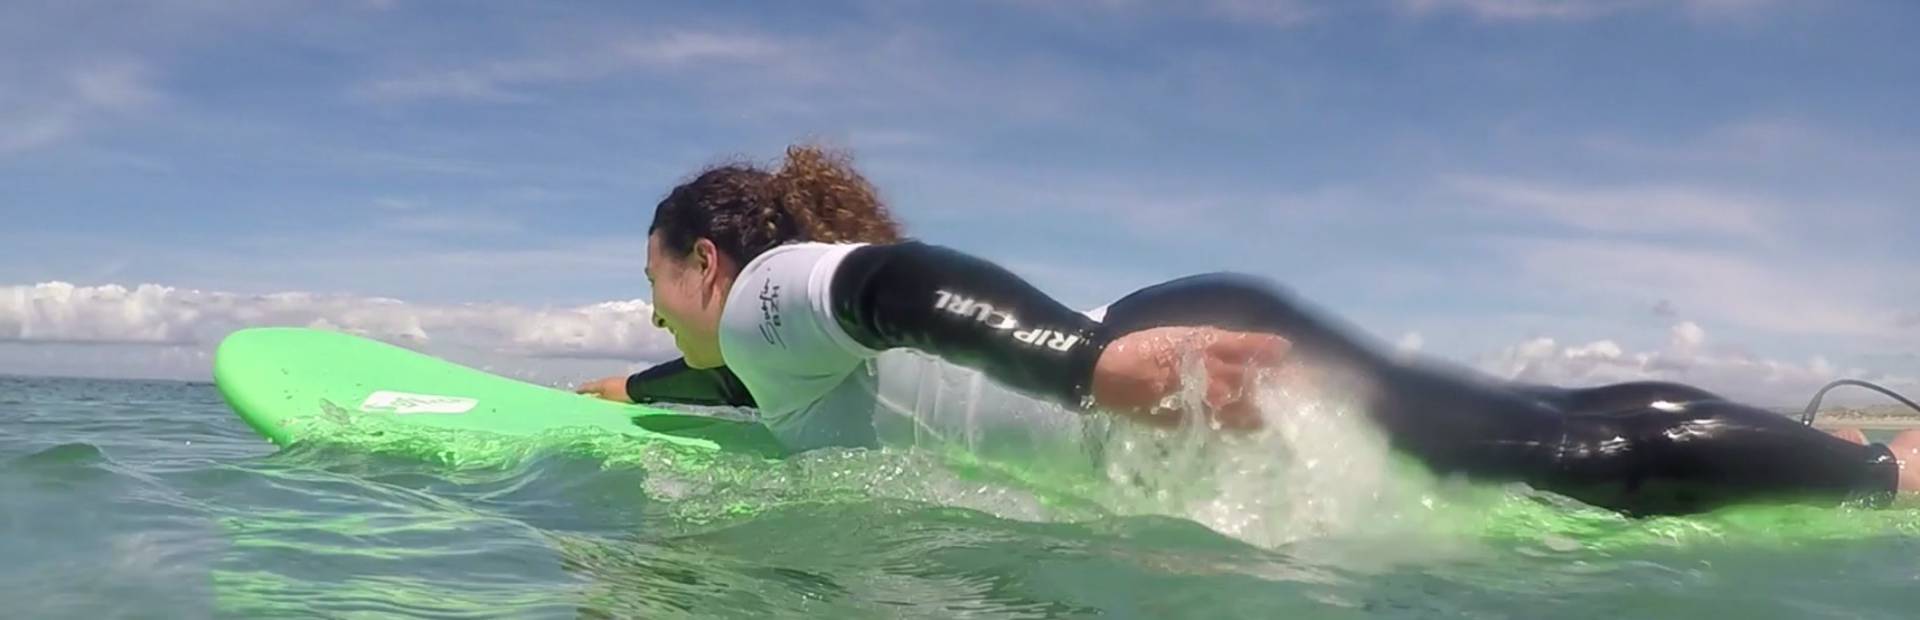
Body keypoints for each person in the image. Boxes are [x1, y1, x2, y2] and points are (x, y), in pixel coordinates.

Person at [579, 144, 1914, 517]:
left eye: (657, 289)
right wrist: (635, 390)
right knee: (1520, 424)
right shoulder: (761, 358)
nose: (655, 315)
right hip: (1175, 339)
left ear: (712, 262)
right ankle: (1840, 447)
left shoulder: (774, 298)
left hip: (1168, 363)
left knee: (1560, 461)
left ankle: (1881, 473)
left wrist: (1084, 370)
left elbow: (903, 283)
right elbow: (735, 385)